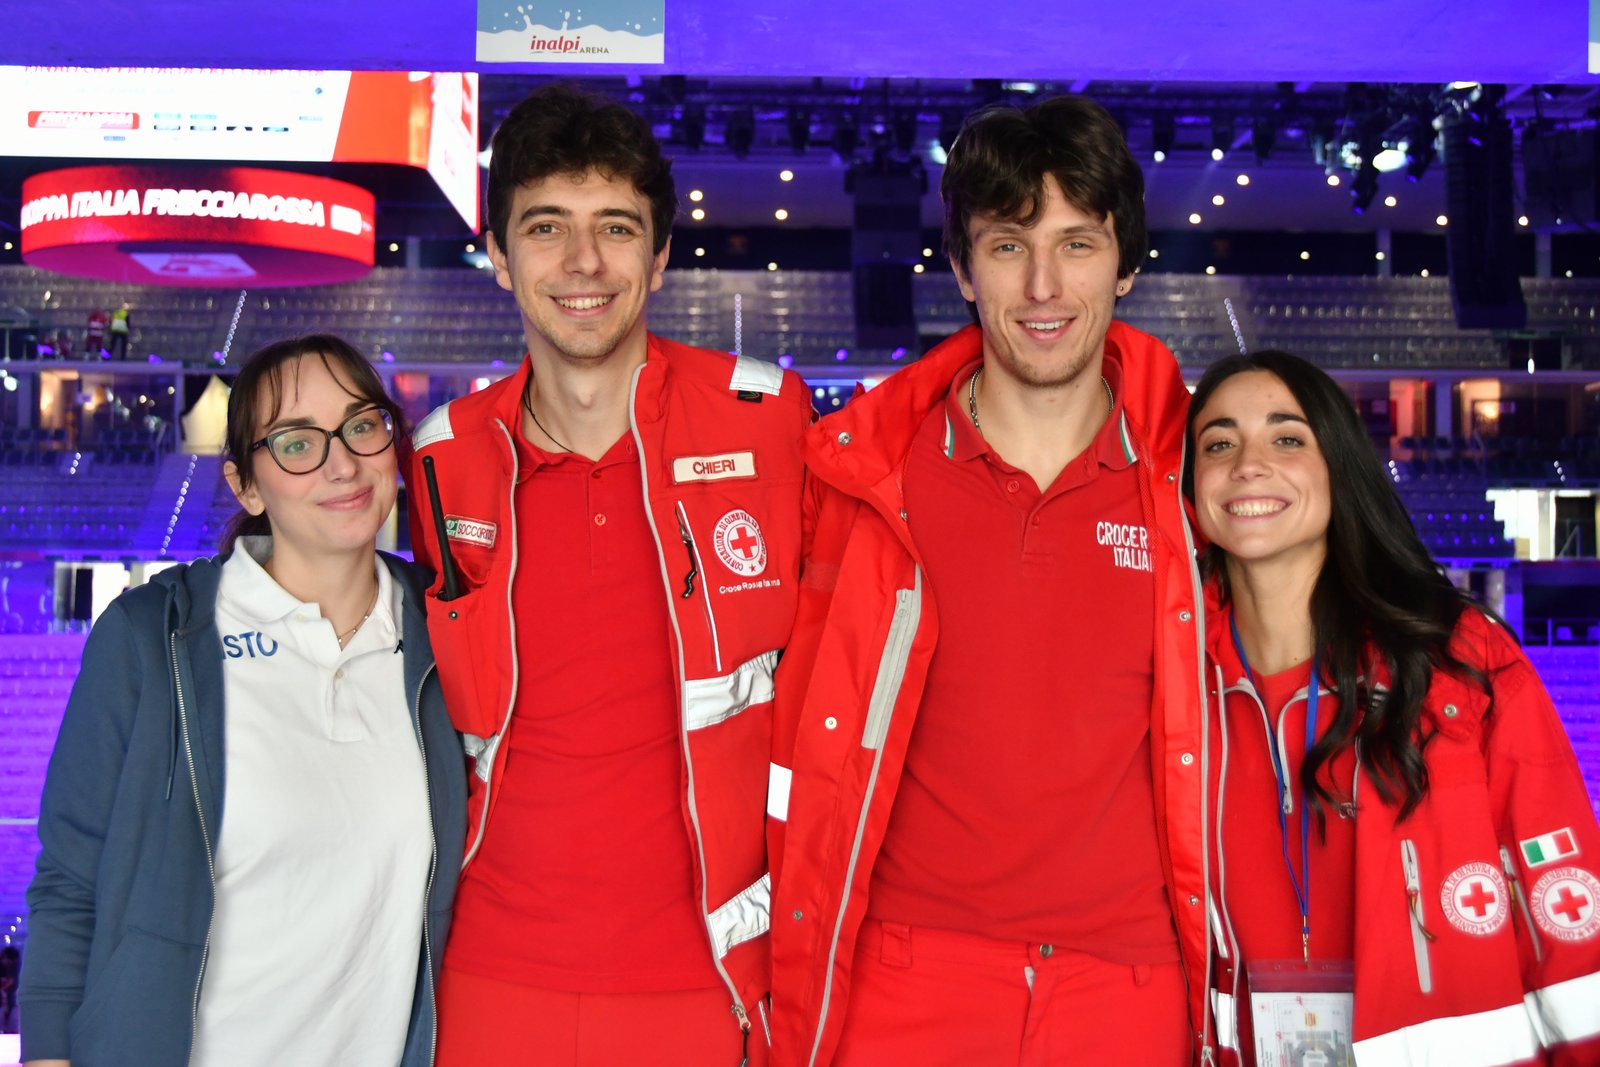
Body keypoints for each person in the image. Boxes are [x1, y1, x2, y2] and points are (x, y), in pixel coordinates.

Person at [767, 94, 1208, 1067]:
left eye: (1077, 244)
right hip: (906, 975)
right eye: (1009, 246)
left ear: (1126, 264)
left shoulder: (1192, 483)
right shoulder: (866, 478)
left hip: (1130, 983)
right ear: (964, 269)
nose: (1044, 285)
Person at [406, 83, 811, 1067]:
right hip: (489, 981)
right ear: (499, 256)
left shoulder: (770, 423)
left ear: (660, 255)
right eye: (546, 227)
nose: (583, 262)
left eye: (616, 228)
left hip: (708, 983)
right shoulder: (443, 457)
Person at [20, 334, 467, 1067]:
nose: (342, 463)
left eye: (362, 425)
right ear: (246, 485)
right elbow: (71, 882)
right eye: (297, 443)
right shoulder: (152, 636)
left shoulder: (446, 631)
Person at [1186, 350, 1600, 1066]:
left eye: (1287, 438)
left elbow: (1567, 914)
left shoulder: (1459, 660)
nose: (1249, 464)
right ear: (1190, 485)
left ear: (1339, 468)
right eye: (1219, 444)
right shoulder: (1174, 683)